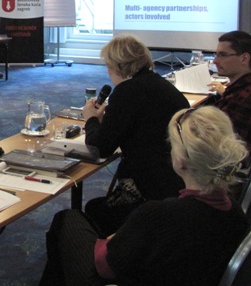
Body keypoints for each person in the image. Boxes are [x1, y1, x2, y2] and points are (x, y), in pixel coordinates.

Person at [40, 106, 249, 286]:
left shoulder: (160, 215)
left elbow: (104, 265)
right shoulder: (236, 215)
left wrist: (118, 239)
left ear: (180, 161)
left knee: (68, 220)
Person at [82, 34, 190, 235]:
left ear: (116, 66)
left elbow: (99, 148)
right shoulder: (160, 85)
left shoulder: (127, 92)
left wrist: (91, 119)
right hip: (177, 180)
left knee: (94, 211)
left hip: (152, 189)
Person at [205, 30, 251, 142]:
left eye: (223, 55)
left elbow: (227, 143)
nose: (215, 61)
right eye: (216, 55)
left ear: (244, 58)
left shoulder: (245, 97)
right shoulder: (237, 88)